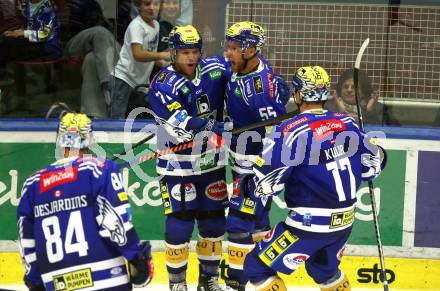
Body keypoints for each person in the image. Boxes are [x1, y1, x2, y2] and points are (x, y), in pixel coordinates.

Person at [239, 66, 385, 291]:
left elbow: (265, 185)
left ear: (297, 95)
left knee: (256, 267)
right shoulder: (347, 124)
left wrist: (247, 183)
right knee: (323, 270)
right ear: (325, 94)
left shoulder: (289, 131)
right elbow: (375, 165)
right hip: (344, 224)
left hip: (307, 226)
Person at [16, 112, 154, 291]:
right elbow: (115, 221)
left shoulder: (32, 184)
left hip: (57, 284)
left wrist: (35, 281)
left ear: (59, 140)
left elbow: (26, 242)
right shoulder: (101, 170)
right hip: (107, 281)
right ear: (89, 139)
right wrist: (136, 257)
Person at [148, 25, 230, 291]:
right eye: (185, 52)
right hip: (177, 165)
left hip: (210, 161)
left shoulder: (214, 69)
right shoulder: (162, 83)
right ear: (173, 53)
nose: (191, 57)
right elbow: (182, 121)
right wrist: (209, 126)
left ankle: (208, 280)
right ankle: (177, 283)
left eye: (195, 51)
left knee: (214, 222)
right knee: (180, 224)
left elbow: (242, 68)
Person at [223, 21, 290, 291]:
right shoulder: (239, 67)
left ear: (250, 50)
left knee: (239, 222)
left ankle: (236, 283)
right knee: (259, 222)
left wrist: (227, 129)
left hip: (255, 168)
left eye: (234, 48)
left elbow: (272, 137)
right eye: (228, 47)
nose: (228, 53)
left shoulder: (261, 91)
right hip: (240, 160)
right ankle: (266, 277)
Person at [110, 0, 170, 119]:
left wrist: (163, 63)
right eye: (147, 4)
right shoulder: (137, 26)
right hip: (124, 79)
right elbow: (138, 54)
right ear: (139, 6)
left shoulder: (156, 26)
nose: (152, 8)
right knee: (117, 118)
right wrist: (161, 55)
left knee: (135, 117)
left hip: (140, 82)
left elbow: (149, 53)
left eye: (156, 4)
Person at [64, 0, 120, 117]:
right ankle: (109, 85)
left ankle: (95, 115)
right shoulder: (69, 4)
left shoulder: (94, 4)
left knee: (91, 59)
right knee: (100, 32)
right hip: (72, 43)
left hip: (99, 46)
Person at [0, 0, 61, 70]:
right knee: (5, 40)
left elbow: (45, 35)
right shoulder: (26, 4)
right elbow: (27, 26)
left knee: (9, 47)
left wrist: (23, 33)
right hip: (31, 41)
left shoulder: (48, 7)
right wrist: (16, 32)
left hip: (47, 46)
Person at [325, 68, 397, 125]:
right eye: (346, 87)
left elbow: (389, 132)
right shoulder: (328, 108)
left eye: (354, 87)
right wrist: (341, 113)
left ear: (363, 91)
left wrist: (369, 112)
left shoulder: (379, 109)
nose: (349, 90)